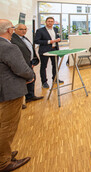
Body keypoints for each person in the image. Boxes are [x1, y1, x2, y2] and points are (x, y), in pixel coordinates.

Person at [0, 19, 34, 171]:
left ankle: (4, 153)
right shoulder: (8, 47)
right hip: (9, 91)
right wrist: (31, 76)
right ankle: (4, 161)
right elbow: (21, 69)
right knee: (8, 126)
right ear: (9, 30)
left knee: (3, 124)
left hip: (3, 89)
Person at [11, 24, 43, 105]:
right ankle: (19, 103)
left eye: (25, 29)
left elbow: (30, 50)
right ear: (15, 30)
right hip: (21, 64)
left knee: (32, 79)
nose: (24, 31)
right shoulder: (12, 39)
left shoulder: (24, 38)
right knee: (21, 82)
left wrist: (33, 61)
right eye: (21, 29)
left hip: (29, 63)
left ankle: (30, 96)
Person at [34, 17, 63, 89]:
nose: (50, 23)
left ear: (53, 22)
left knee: (55, 65)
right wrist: (49, 42)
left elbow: (57, 37)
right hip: (44, 51)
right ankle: (44, 82)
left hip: (55, 50)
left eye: (51, 21)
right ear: (46, 22)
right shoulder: (40, 31)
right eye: (49, 21)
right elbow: (36, 41)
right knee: (44, 67)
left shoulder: (55, 29)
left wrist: (58, 39)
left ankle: (55, 79)